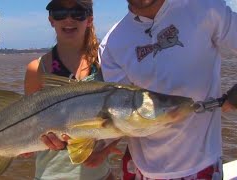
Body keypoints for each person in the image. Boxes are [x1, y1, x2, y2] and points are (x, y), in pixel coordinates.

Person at [94, 0, 237, 179]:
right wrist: (97, 146)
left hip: (200, 167)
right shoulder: (111, 45)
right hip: (138, 169)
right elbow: (121, 115)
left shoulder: (204, 8)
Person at [23, 0, 115, 179]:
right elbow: (28, 124)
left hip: (101, 175)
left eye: (77, 13)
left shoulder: (105, 63)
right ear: (51, 20)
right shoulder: (37, 69)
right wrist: (23, 146)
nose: (68, 19)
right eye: (60, 13)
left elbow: (125, 121)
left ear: (89, 19)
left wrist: (104, 152)